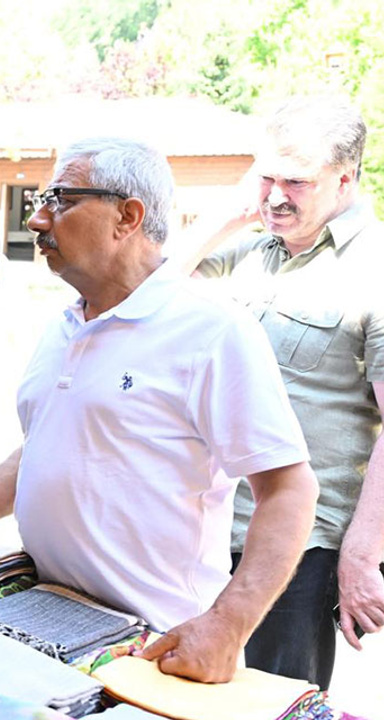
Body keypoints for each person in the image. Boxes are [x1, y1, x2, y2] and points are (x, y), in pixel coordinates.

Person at [0, 137, 320, 684]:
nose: (39, 220)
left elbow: (289, 490)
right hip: (45, 616)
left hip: (155, 643)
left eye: (61, 200)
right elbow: (51, 440)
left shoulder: (211, 329)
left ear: (128, 216)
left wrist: (229, 624)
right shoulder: (64, 323)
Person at [188, 97, 384, 689]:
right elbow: (144, 294)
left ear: (345, 178)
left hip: (299, 550)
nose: (274, 195)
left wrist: (361, 554)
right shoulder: (247, 250)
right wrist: (226, 217)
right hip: (203, 528)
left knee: (267, 702)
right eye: (265, 176)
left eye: (295, 181)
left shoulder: (374, 269)